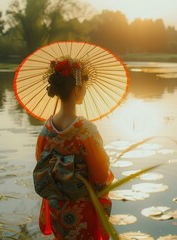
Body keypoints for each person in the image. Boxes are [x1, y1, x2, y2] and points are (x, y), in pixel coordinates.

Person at [34, 58, 114, 239]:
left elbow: (41, 161)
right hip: (81, 208)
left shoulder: (46, 129)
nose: (85, 90)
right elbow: (100, 176)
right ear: (77, 88)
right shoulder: (86, 130)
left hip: (57, 208)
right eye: (84, 85)